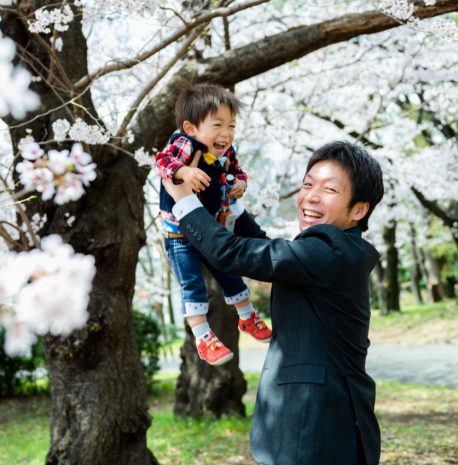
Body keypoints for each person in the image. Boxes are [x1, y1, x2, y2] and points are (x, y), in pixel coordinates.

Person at [163, 141, 385, 465]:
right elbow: (267, 251)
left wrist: (183, 203)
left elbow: (235, 254)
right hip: (318, 423)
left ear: (358, 210)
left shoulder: (330, 251)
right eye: (308, 184)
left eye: (329, 190)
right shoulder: (333, 250)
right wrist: (231, 206)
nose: (310, 196)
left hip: (318, 427)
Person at [155, 83, 272, 366]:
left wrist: (241, 182)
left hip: (210, 229)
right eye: (217, 125)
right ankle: (203, 337)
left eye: (231, 126)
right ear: (191, 128)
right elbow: (161, 162)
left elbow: (236, 168)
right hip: (180, 235)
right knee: (193, 285)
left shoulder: (224, 152)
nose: (226, 134)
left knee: (229, 271)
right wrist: (184, 171)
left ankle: (247, 317)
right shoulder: (184, 144)